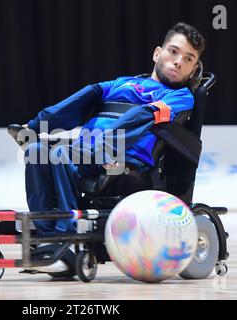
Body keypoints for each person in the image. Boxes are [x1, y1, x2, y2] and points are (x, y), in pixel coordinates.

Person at [20, 22, 205, 235]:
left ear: (193, 70)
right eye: (174, 51)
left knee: (61, 153)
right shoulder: (123, 82)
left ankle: (67, 234)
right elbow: (84, 98)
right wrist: (35, 126)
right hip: (87, 150)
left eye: (188, 59)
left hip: (122, 157)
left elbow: (142, 117)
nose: (178, 62)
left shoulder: (180, 97)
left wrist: (107, 144)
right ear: (157, 53)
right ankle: (45, 235)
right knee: (36, 152)